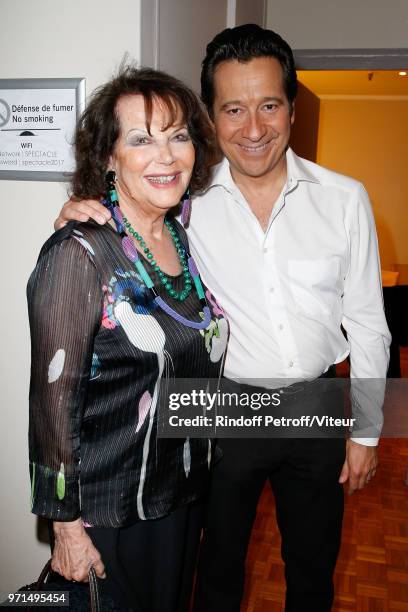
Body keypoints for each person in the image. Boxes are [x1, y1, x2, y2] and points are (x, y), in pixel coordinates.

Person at [54, 25, 391, 612]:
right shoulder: (186, 197)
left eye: (268, 106)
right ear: (211, 117)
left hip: (317, 403)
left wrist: (365, 430)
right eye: (233, 109)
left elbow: (367, 320)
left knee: (312, 567)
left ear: (291, 107)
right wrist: (80, 210)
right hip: (220, 406)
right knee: (215, 570)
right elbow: (130, 211)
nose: (253, 128)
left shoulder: (345, 199)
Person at [27, 65, 228, 612]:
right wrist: (64, 528)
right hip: (109, 513)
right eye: (141, 139)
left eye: (178, 135)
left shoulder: (180, 234)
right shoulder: (80, 253)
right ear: (109, 157)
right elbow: (52, 404)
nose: (165, 156)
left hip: (178, 498)